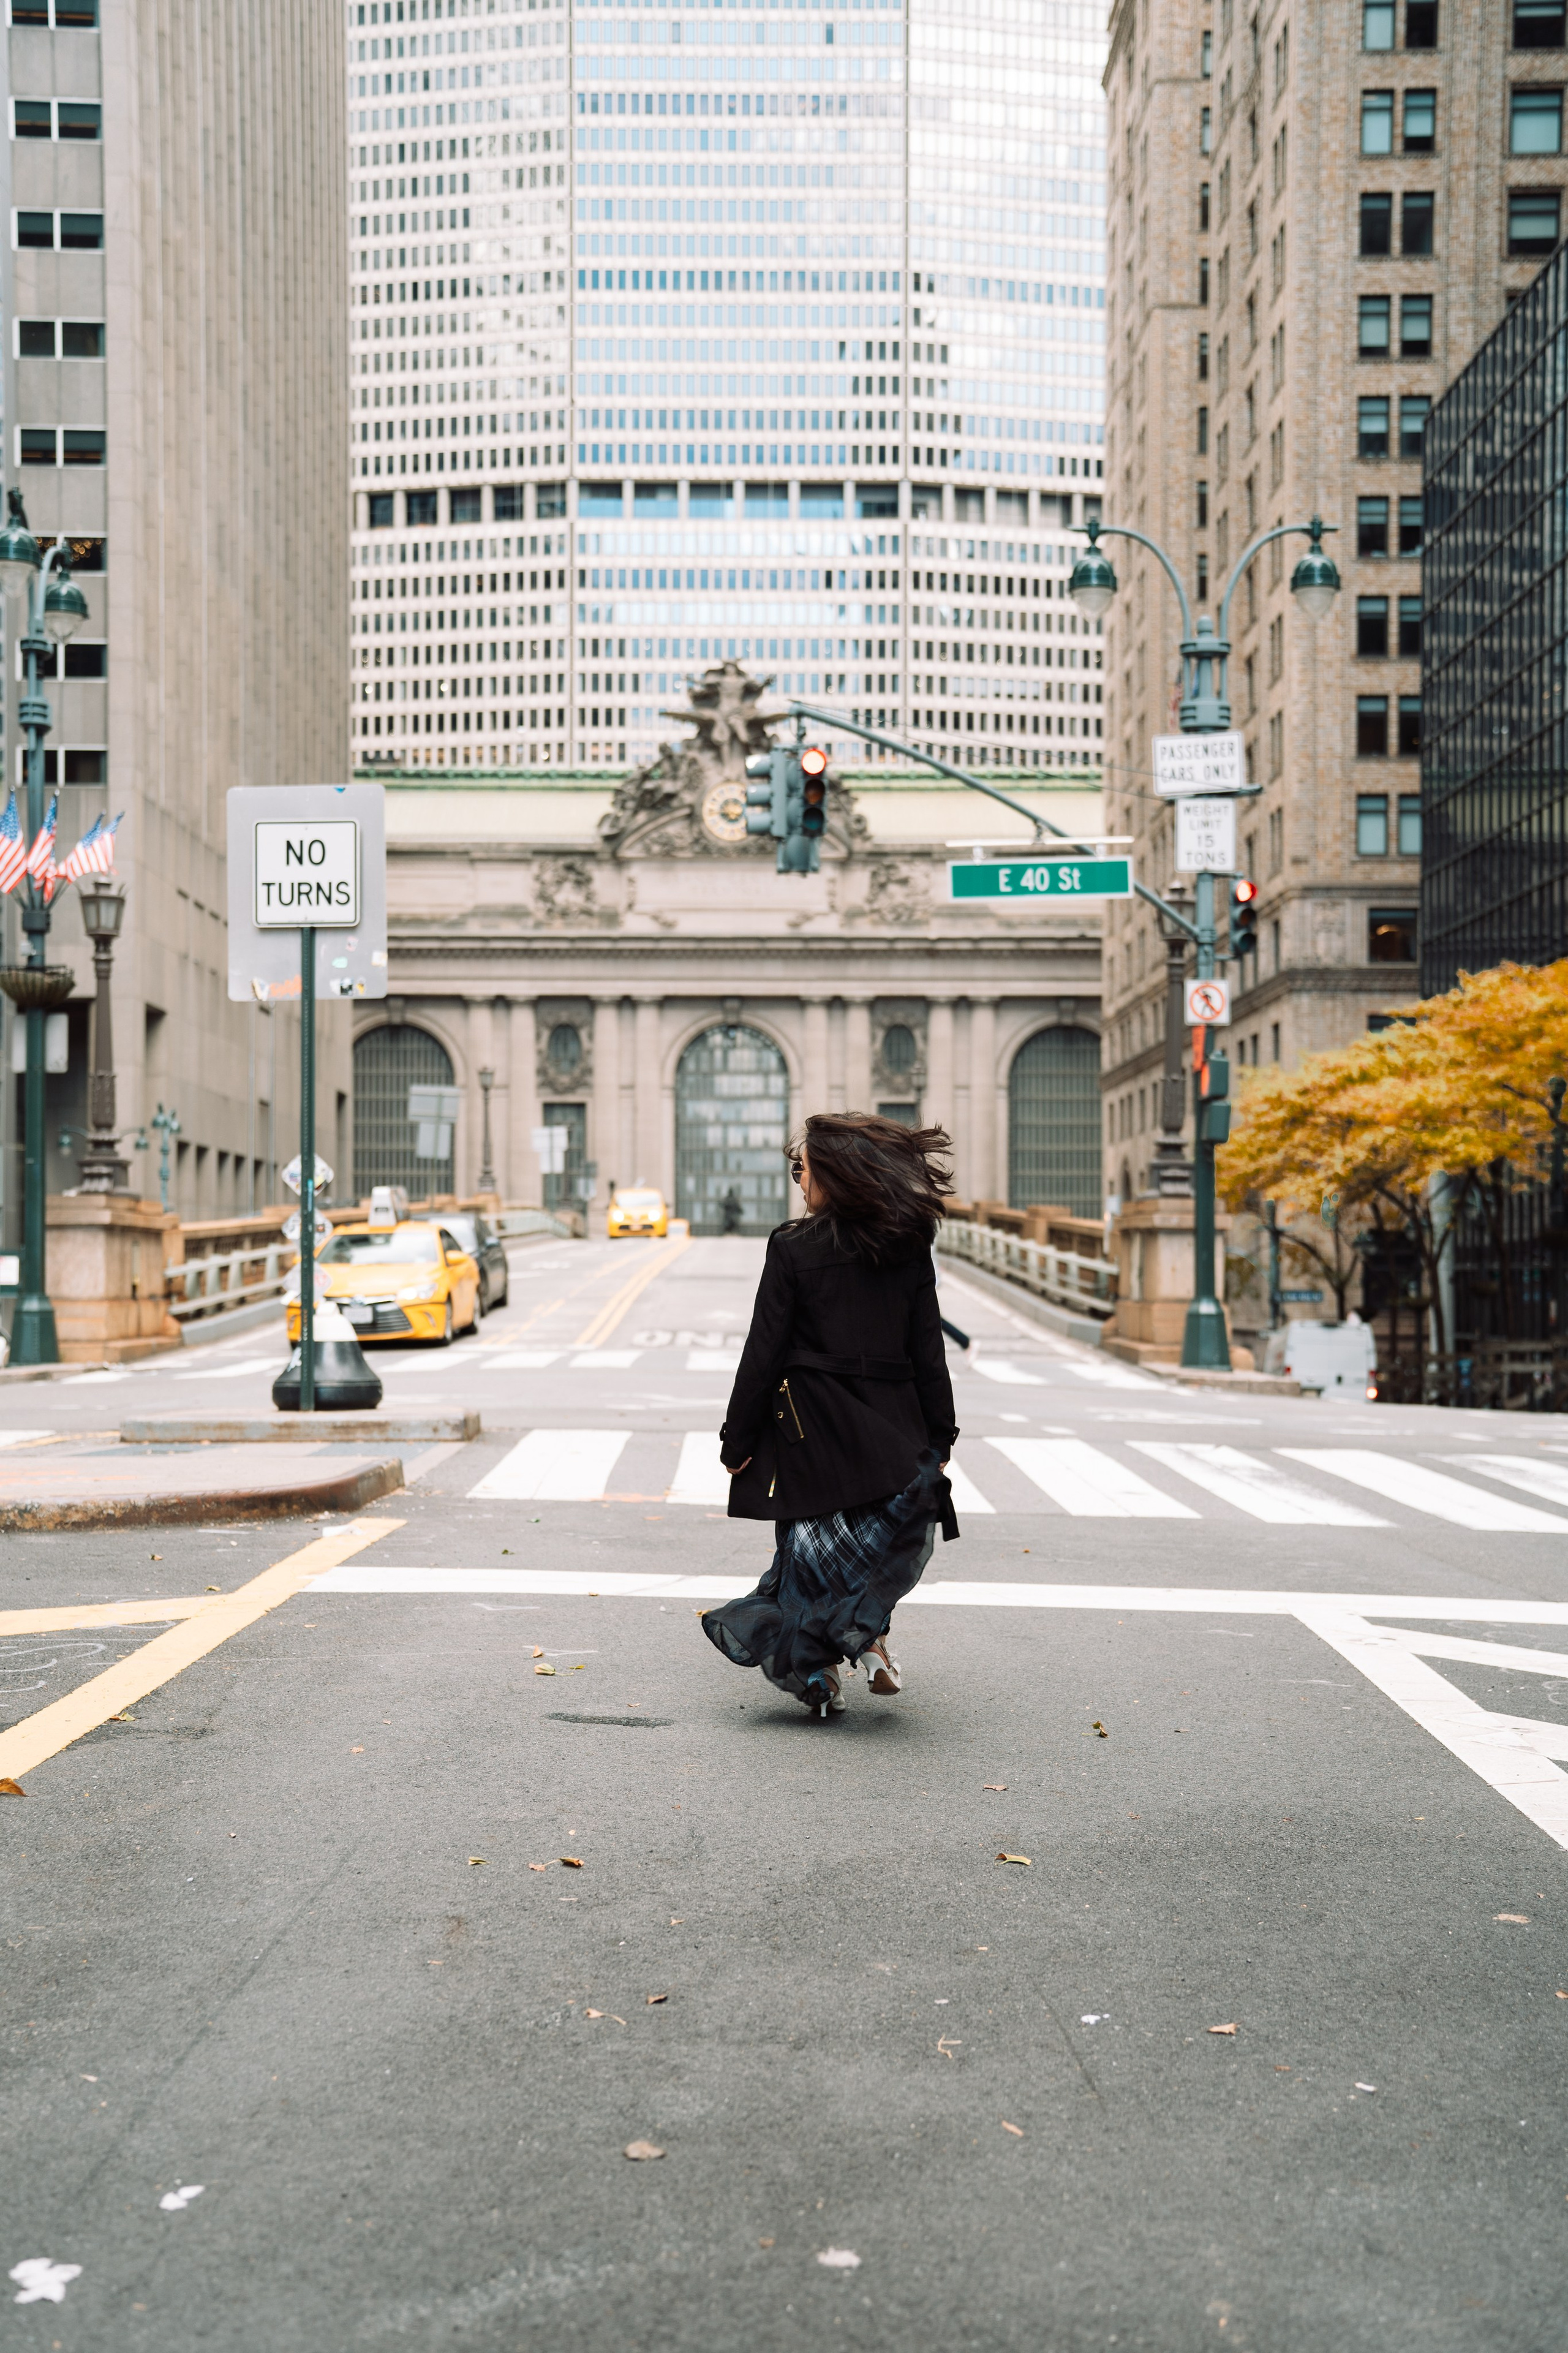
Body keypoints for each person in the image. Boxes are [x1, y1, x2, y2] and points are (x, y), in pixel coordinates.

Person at [701, 1112, 960, 1718]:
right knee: (864, 1549)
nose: (799, 1180)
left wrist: (736, 1438)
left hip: (808, 1428)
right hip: (889, 1426)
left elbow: (762, 1351)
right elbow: (927, 1347)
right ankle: (869, 1643)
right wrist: (941, 1431)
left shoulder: (793, 1246)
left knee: (808, 1553)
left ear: (834, 1175)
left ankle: (816, 1672)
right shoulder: (908, 1244)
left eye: (804, 1169)